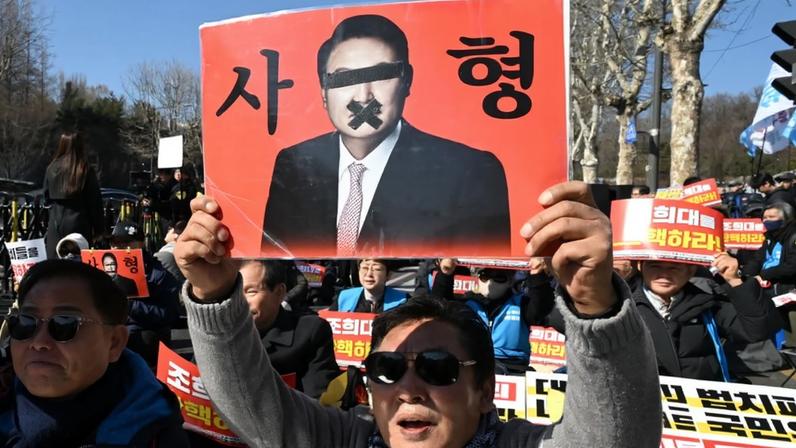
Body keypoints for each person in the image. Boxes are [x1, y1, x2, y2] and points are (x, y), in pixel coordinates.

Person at [176, 181, 661, 447]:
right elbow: (255, 407)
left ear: (485, 391)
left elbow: (616, 439)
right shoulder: (348, 439)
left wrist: (595, 303)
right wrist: (214, 291)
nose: (408, 388)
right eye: (386, 370)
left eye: (438, 368)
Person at [262, 14, 510, 257]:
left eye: (381, 75)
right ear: (323, 92)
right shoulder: (293, 164)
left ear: (407, 81)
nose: (363, 96)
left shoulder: (472, 173)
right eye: (344, 78)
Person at [0, 259, 187, 446]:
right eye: (25, 322)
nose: (39, 342)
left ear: (114, 342)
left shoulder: (156, 436)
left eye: (65, 323)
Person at [631, 257, 782, 381]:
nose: (663, 274)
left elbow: (757, 331)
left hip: (704, 403)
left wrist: (735, 280)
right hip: (648, 409)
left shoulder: (708, 304)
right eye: (654, 266)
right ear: (640, 266)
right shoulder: (624, 308)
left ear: (691, 270)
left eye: (674, 267)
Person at [431, 261, 555, 373]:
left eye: (499, 277)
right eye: (485, 275)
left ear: (510, 281)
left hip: (514, 368)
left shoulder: (521, 304)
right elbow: (439, 306)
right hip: (472, 365)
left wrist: (537, 275)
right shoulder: (466, 305)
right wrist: (445, 273)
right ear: (478, 278)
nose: (490, 282)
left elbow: (542, 306)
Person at [240, 260, 339, 398]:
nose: (240, 301)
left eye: (251, 292)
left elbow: (319, 404)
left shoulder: (310, 332)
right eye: (235, 292)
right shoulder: (216, 333)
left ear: (280, 293)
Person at [110, 220, 182, 366]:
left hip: (140, 332)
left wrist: (131, 305)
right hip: (109, 331)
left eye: (125, 243)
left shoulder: (158, 274)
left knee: (143, 337)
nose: (118, 247)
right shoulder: (105, 266)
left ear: (140, 244)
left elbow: (169, 313)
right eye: (114, 243)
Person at [741, 202, 796, 346]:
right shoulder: (770, 237)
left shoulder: (793, 237)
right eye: (764, 217)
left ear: (786, 218)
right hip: (770, 290)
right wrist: (748, 275)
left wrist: (765, 275)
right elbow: (758, 259)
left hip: (789, 291)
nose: (766, 220)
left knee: (791, 332)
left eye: (771, 217)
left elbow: (792, 266)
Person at [43, 133, 105, 259]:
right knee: (77, 264)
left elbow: (46, 196)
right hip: (79, 221)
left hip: (56, 221)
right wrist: (99, 229)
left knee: (54, 264)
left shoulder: (52, 168)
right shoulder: (84, 169)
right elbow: (95, 202)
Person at [329, 259, 408, 313]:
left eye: (376, 269)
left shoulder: (403, 302)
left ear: (388, 275)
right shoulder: (344, 298)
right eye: (365, 268)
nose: (369, 274)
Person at [155, 220, 187, 285]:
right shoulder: (187, 251)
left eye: (170, 230)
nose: (167, 231)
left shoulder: (165, 254)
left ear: (176, 236)